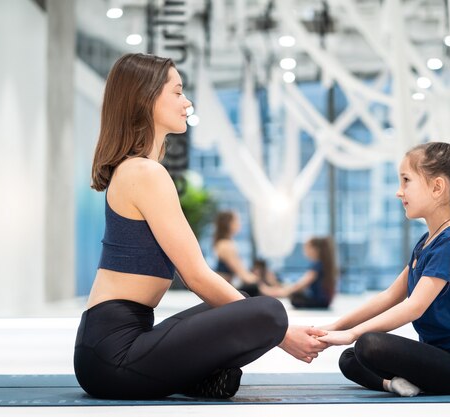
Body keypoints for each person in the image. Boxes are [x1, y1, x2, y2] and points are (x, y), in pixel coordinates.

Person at [73, 53, 327, 401]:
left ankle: (184, 377)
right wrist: (283, 336)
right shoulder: (144, 172)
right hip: (113, 355)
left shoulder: (138, 169)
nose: (187, 102)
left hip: (114, 344)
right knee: (268, 313)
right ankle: (183, 376)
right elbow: (195, 275)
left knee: (246, 306)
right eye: (177, 92)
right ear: (145, 98)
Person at [317, 141, 450, 397]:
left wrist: (352, 333)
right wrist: (334, 329)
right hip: (437, 358)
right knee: (349, 358)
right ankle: (394, 384)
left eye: (406, 180)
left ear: (437, 187)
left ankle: (405, 382)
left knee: (368, 344)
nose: (399, 191)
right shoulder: (428, 241)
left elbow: (414, 306)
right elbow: (390, 296)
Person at [259, 237, 338, 309]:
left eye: (306, 248)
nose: (304, 251)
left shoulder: (317, 265)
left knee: (295, 296)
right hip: (323, 302)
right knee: (293, 291)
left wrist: (280, 292)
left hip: (319, 302)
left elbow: (300, 285)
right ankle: (274, 292)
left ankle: (273, 292)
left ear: (315, 249)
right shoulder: (321, 264)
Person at [212, 210, 260, 296]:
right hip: (226, 289)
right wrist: (262, 282)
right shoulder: (226, 245)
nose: (239, 224)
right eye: (236, 221)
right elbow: (243, 276)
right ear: (228, 224)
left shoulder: (224, 243)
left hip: (227, 286)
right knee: (256, 287)